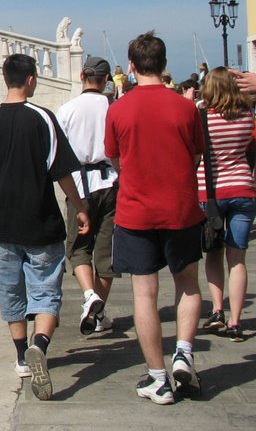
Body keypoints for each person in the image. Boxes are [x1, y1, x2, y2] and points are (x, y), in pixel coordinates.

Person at [0, 53, 89, 401]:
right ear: (31, 80)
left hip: (3, 224)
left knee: (11, 293)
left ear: (6, 79)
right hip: (42, 223)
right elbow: (62, 172)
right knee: (46, 291)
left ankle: (22, 356)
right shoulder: (43, 119)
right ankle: (41, 344)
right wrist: (79, 208)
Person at [105, 31, 205, 405]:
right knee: (188, 285)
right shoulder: (186, 108)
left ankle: (159, 378)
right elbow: (196, 156)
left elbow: (115, 161)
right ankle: (183, 352)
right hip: (181, 208)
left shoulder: (118, 109)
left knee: (145, 294)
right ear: (164, 65)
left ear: (131, 66)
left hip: (136, 212)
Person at [56, 56, 119, 338]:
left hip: (80, 187)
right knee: (106, 253)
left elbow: (57, 156)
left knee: (79, 246)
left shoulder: (67, 110)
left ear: (82, 75)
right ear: (107, 80)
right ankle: (98, 310)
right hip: (111, 182)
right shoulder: (113, 107)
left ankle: (90, 295)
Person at [196, 67, 255, 342]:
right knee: (238, 258)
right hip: (243, 189)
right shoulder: (246, 115)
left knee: (214, 254)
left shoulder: (204, 117)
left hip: (210, 193)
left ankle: (218, 309)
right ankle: (235, 321)